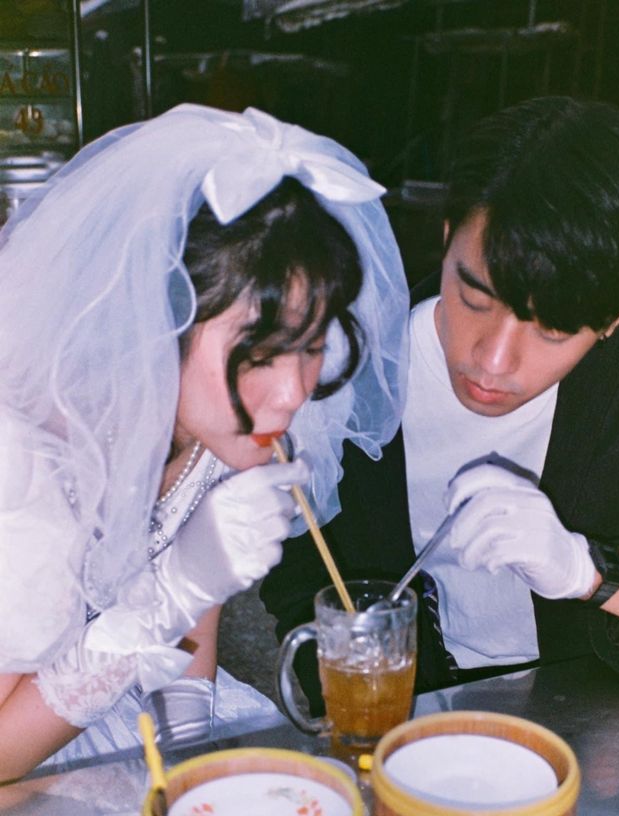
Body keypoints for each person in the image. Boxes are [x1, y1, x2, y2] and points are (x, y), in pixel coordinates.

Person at [261, 94, 619, 711]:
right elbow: (304, 572)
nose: (491, 361)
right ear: (447, 236)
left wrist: (589, 571)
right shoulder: (349, 352)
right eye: (475, 297)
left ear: (617, 317)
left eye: (554, 330)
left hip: (606, 718)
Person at [0, 104, 409, 779]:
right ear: (157, 325)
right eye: (260, 356)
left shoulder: (218, 427)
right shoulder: (33, 463)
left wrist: (191, 753)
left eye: (310, 348)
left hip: (129, 698)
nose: (292, 392)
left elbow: (195, 632)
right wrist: (170, 593)